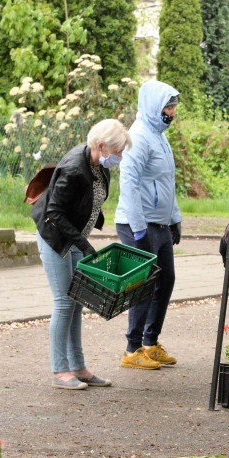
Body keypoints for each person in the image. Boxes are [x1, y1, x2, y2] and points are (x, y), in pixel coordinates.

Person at [32, 119, 131, 390]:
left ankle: (78, 367)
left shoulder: (98, 164)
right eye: (118, 151)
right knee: (64, 301)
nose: (120, 157)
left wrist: (84, 234)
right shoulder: (74, 168)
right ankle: (59, 371)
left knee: (77, 300)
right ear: (101, 146)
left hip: (75, 236)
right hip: (55, 238)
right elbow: (53, 212)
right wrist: (84, 244)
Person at [115, 81, 183, 371]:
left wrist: (175, 218)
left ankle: (150, 343)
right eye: (168, 107)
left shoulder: (159, 136)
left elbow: (167, 182)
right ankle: (132, 350)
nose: (172, 113)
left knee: (165, 280)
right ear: (155, 106)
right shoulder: (139, 136)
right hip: (138, 224)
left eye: (174, 107)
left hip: (160, 223)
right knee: (142, 284)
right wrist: (138, 227)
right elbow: (129, 183)